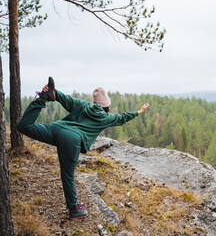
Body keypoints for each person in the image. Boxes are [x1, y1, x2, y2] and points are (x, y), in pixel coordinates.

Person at [16, 77, 149, 220]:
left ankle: (40, 100)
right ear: (106, 105)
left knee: (24, 126)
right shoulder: (106, 117)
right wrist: (139, 112)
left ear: (95, 102)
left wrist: (51, 92)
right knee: (67, 175)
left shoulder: (82, 105)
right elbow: (122, 117)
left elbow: (64, 98)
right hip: (71, 140)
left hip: (55, 130)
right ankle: (74, 210)